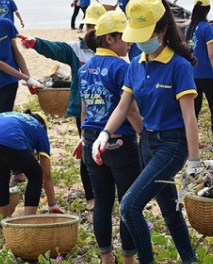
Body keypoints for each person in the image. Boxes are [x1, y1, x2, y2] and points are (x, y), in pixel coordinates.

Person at [93, 0, 199, 263]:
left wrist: (194, 161)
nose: (140, 42)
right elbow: (123, 107)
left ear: (161, 31)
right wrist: (104, 133)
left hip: (173, 145)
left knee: (129, 207)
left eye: (146, 36)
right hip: (147, 141)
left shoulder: (179, 66)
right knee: (169, 209)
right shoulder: (135, 65)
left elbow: (190, 117)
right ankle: (189, 259)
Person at [17, 2, 108, 209]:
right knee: (87, 148)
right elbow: (56, 48)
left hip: (110, 109)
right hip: (85, 109)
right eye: (88, 26)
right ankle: (90, 195)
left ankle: (108, 191)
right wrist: (36, 43)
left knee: (110, 149)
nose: (91, 31)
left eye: (95, 27)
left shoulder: (113, 49)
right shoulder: (77, 49)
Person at [77, 11, 141, 264]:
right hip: (120, 141)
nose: (130, 42)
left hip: (92, 139)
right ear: (111, 39)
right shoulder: (121, 67)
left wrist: (84, 139)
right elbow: (131, 109)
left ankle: (106, 257)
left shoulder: (84, 70)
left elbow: (84, 111)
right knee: (129, 202)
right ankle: (128, 259)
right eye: (125, 37)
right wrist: (147, 137)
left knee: (102, 201)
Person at [0, 111, 63, 216]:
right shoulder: (39, 128)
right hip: (8, 138)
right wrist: (52, 205)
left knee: (2, 172)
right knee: (36, 174)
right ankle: (27, 220)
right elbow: (46, 175)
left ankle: (4, 218)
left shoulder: (16, 116)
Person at [0, 0, 44, 117]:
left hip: (9, 80)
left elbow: (16, 53)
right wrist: (26, 78)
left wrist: (29, 80)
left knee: (3, 118)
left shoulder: (6, 25)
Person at [186, 0, 213, 152]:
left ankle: (193, 142)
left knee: (194, 110)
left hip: (192, 75)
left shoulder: (189, 28)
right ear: (207, 10)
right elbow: (211, 54)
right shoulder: (207, 28)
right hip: (206, 75)